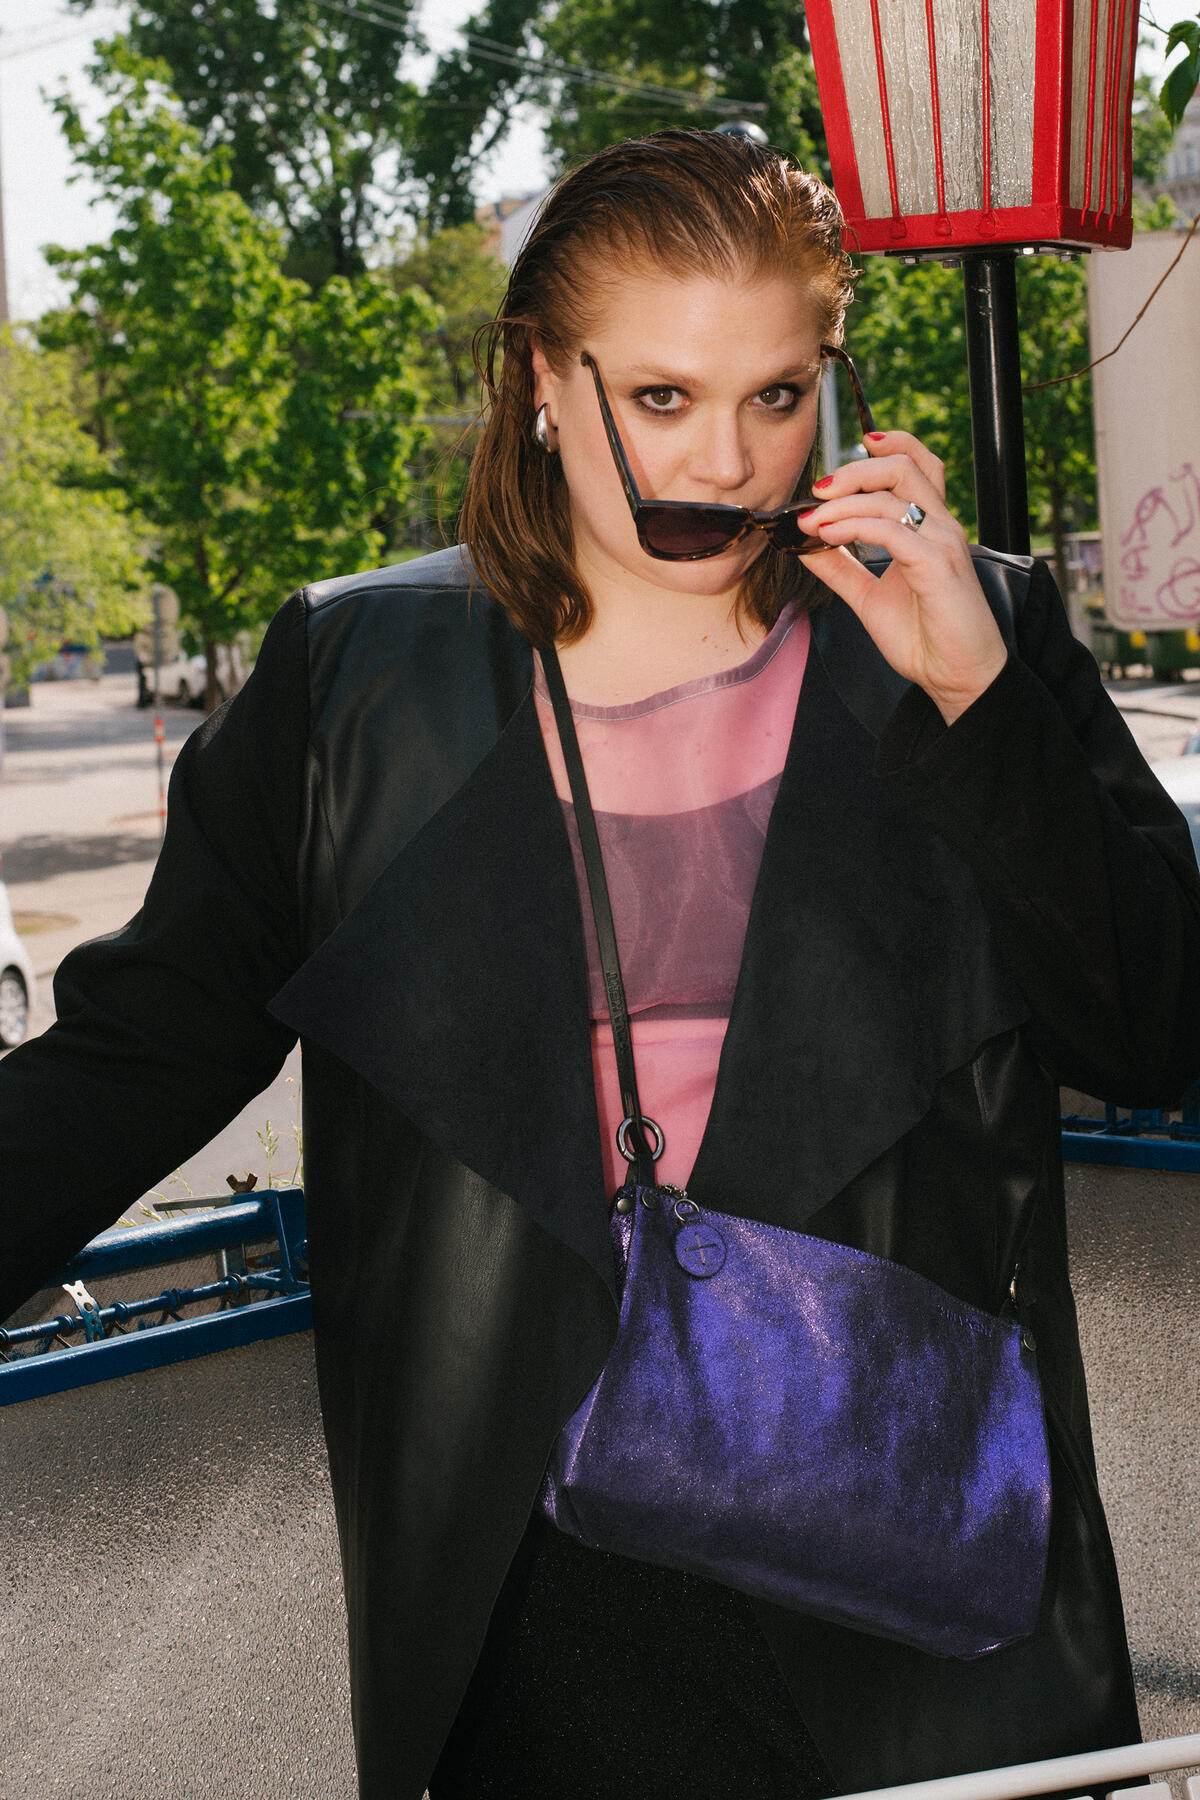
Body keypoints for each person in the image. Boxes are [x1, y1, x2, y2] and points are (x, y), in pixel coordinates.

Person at [3, 128, 1200, 1800]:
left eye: (778, 396)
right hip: (530, 1553)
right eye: (661, 400)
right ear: (543, 383)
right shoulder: (355, 684)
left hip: (907, 1546)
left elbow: (1157, 1033)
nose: (726, 462)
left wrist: (975, 706)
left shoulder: (962, 630)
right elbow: (145, 1051)